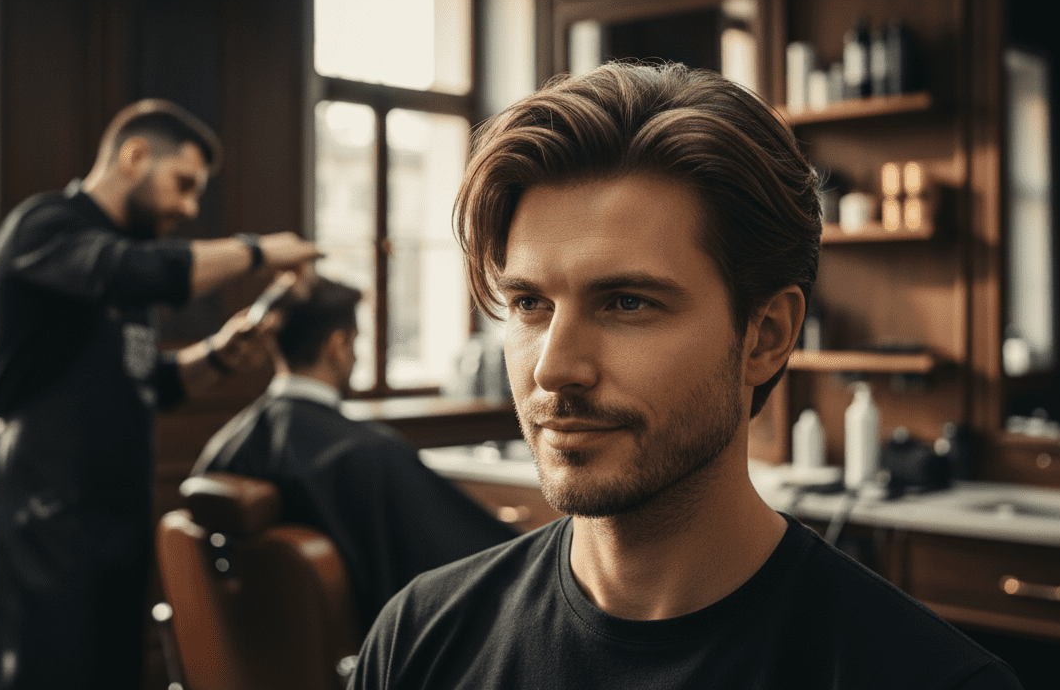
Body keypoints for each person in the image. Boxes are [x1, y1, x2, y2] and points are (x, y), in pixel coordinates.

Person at [347, 64, 1024, 689]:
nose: (554, 366)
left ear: (766, 336)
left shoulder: (928, 680)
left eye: (627, 303)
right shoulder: (417, 641)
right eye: (530, 304)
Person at [0, 98, 321, 690]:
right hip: (46, 513)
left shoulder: (128, 262)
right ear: (134, 156)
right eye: (183, 185)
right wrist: (258, 251)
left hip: (118, 516)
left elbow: (146, 381)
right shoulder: (48, 227)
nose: (188, 208)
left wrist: (217, 355)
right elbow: (128, 270)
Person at [193, 276, 519, 631]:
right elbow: (479, 562)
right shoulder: (370, 453)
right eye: (356, 342)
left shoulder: (225, 445)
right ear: (337, 345)